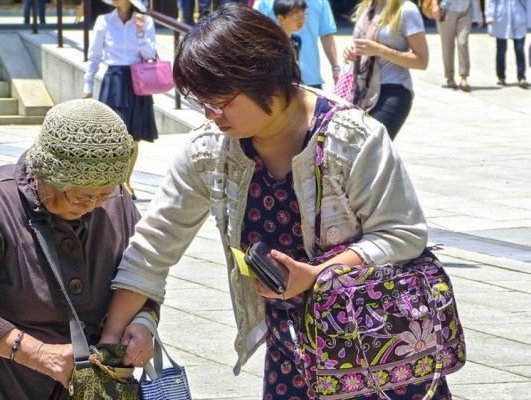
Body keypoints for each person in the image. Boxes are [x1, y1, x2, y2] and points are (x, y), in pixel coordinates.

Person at [98, 4, 451, 399]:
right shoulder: (210, 150)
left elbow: (403, 233)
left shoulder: (352, 139)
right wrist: (111, 344)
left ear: (266, 78)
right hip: (293, 352)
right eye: (202, 101)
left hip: (381, 348)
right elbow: (154, 247)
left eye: (222, 100)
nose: (212, 114)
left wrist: (317, 274)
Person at [0, 99, 157, 400]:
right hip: (8, 381)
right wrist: (37, 353)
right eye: (81, 198)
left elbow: (144, 273)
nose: (92, 207)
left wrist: (144, 322)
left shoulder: (116, 199)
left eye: (103, 196)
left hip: (98, 385)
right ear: (45, 175)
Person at [82, 0, 159, 200]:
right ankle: (112, 179)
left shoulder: (145, 21)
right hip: (114, 78)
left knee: (132, 135)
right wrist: (87, 85)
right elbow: (94, 55)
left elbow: (150, 54)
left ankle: (125, 180)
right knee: (113, 133)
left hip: (136, 78)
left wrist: (140, 32)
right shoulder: (104, 21)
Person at [343, 0, 429, 140]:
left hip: (393, 90)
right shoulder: (367, 7)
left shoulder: (406, 10)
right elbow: (362, 42)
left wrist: (380, 50)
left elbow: (422, 61)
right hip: (361, 91)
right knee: (357, 151)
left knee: (370, 146)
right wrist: (351, 49)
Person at [254, 0, 341, 89]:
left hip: (311, 77)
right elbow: (254, 34)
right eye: (297, 15)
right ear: (280, 18)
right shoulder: (264, 2)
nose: (302, 19)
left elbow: (326, 34)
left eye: (304, 14)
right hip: (277, 81)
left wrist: (335, 67)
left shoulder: (320, 2)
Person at [431, 0, 483, 91]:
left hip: (466, 10)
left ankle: (464, 76)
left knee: (462, 42)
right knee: (447, 45)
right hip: (447, 10)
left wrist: (479, 13)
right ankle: (450, 77)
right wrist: (435, 5)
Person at [485, 0, 531, 88]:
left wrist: (529, 19)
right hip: (502, 18)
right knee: (501, 50)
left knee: (519, 48)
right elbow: (491, 1)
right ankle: (501, 76)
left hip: (519, 17)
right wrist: (490, 16)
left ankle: (521, 77)